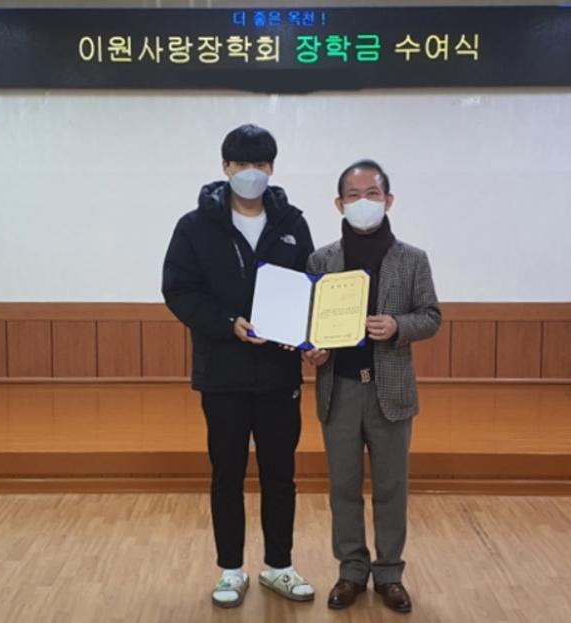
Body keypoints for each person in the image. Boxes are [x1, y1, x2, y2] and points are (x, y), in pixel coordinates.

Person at [162, 124, 315, 608]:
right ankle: (230, 570)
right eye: (243, 163)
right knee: (226, 474)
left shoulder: (292, 223)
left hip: (279, 375)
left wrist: (307, 334)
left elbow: (309, 286)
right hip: (222, 374)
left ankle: (280, 566)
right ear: (225, 167)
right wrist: (228, 323)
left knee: (280, 474)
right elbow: (179, 290)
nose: (252, 172)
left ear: (272, 167)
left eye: (261, 163)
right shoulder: (194, 225)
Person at [304, 159, 441, 614]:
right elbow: (310, 325)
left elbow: (431, 316)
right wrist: (313, 350)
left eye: (373, 194)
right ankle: (351, 571)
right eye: (354, 195)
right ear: (339, 203)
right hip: (339, 390)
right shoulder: (321, 260)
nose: (363, 202)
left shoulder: (413, 259)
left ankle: (389, 574)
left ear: (388, 200)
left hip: (391, 392)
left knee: (390, 488)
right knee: (343, 487)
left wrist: (399, 326)